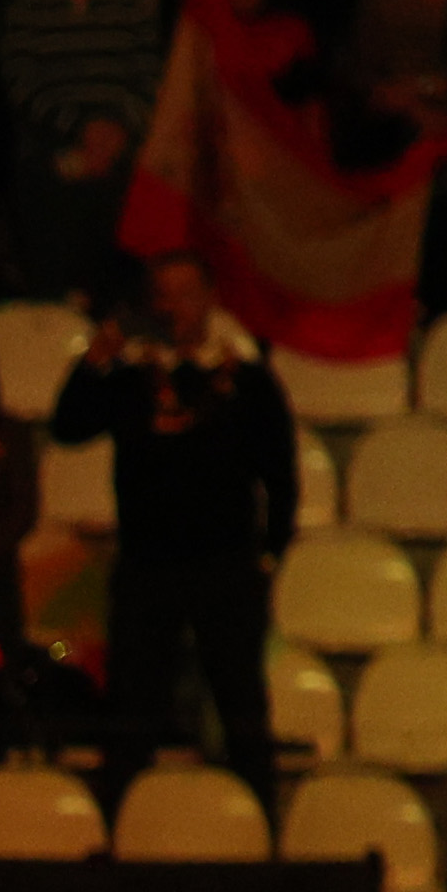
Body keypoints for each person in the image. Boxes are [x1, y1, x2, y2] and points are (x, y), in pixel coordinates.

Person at [61, 247, 303, 795]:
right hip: (147, 567)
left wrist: (268, 554)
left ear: (210, 299)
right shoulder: (130, 379)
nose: (172, 306)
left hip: (226, 568)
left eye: (184, 292)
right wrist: (97, 355)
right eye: (162, 294)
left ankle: (262, 837)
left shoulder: (248, 383)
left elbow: (280, 475)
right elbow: (68, 425)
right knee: (131, 709)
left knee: (241, 705)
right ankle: (117, 833)